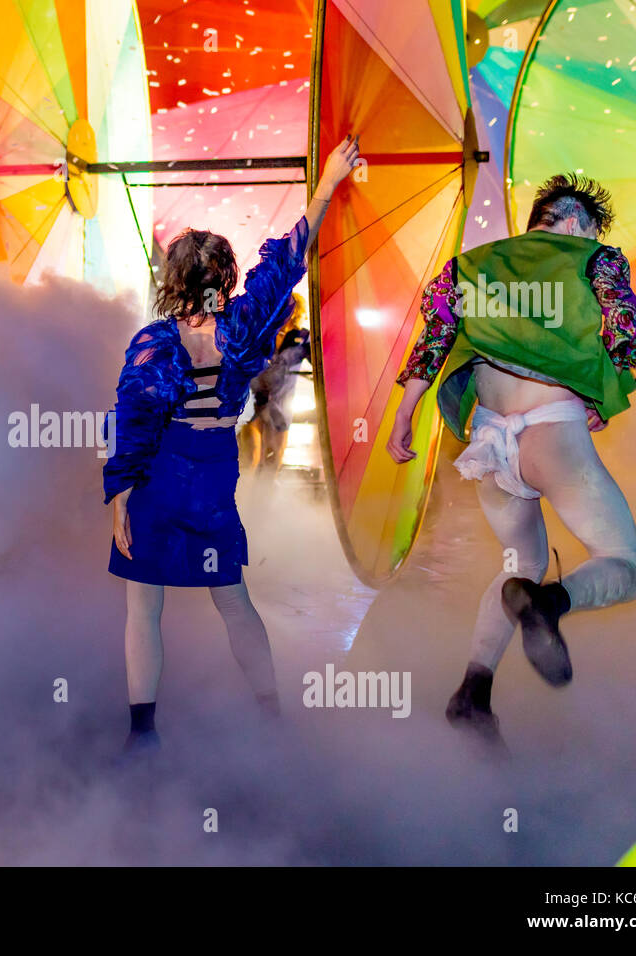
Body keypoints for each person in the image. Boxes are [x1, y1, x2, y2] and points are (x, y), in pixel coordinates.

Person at [104, 135, 360, 751]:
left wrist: (119, 498)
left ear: (174, 279)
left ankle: (143, 734)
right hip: (214, 475)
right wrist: (326, 183)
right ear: (227, 278)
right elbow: (290, 259)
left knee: (144, 609)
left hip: (158, 482)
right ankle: (271, 716)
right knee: (234, 601)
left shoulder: (152, 342)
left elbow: (132, 421)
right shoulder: (244, 325)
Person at [387, 173, 636, 743]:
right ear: (579, 222)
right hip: (550, 432)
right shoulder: (595, 258)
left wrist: (404, 415)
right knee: (625, 565)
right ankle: (549, 605)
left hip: (488, 444)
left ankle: (472, 693)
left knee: (518, 563)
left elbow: (434, 340)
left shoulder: (475, 263)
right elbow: (628, 334)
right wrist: (608, 392)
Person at [242, 299, 311, 473]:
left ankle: (265, 497)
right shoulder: (263, 331)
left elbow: (320, 363)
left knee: (272, 461)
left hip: (281, 403)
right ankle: (240, 497)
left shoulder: (303, 338)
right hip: (254, 400)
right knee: (251, 456)